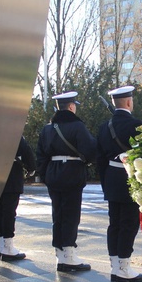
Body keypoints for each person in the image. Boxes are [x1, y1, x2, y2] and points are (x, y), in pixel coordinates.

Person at [36, 91, 97, 272]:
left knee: (58, 214)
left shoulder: (47, 129)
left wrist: (46, 175)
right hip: (71, 172)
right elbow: (91, 149)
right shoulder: (77, 126)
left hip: (53, 174)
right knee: (70, 215)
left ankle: (60, 254)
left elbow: (40, 155)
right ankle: (68, 255)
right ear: (71, 107)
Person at [96, 85, 142, 282]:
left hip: (111, 177)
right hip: (129, 178)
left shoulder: (104, 127)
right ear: (128, 102)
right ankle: (123, 268)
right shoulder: (136, 125)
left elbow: (99, 159)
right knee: (129, 223)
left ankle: (116, 265)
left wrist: (105, 183)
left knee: (114, 223)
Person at [0, 136, 36, 261]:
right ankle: (8, 247)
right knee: (9, 212)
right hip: (11, 175)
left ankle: (1, 245)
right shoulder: (13, 131)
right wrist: (31, 168)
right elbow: (26, 151)